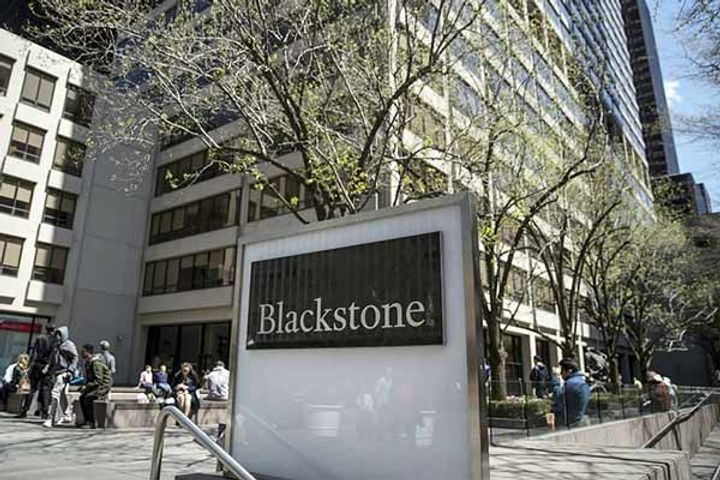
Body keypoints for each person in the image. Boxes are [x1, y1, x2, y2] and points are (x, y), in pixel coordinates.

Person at [44, 326, 78, 428]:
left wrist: (70, 370)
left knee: (55, 393)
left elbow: (75, 357)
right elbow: (52, 357)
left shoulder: (69, 345)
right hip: (56, 372)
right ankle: (67, 415)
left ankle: (51, 419)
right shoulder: (56, 345)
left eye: (59, 334)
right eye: (57, 334)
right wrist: (47, 367)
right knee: (62, 395)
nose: (57, 336)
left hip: (63, 373)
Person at [19, 324, 56, 418]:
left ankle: (25, 409)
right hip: (47, 366)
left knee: (31, 388)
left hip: (37, 365)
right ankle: (45, 411)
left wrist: (29, 365)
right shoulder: (54, 340)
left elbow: (34, 353)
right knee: (45, 389)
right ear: (53, 330)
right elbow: (53, 354)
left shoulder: (39, 338)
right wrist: (49, 366)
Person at [78, 344, 111, 428]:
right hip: (96, 386)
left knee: (89, 398)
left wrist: (86, 387)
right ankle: (87, 420)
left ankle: (91, 422)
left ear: (88, 352)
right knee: (82, 397)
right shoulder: (89, 362)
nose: (81, 353)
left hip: (102, 387)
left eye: (83, 351)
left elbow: (98, 381)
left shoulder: (96, 363)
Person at [551, 358, 590, 428]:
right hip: (581, 419)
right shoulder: (581, 381)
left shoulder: (571, 383)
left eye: (562, 371)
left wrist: (556, 377)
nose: (561, 374)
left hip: (572, 423)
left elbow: (557, 397)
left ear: (569, 371)